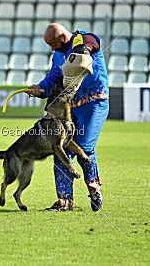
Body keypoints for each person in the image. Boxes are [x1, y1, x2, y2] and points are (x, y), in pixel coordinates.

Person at [27, 23, 109, 212]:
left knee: (85, 148)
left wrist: (83, 51)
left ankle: (94, 187)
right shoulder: (57, 55)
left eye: (53, 43)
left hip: (94, 103)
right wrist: (40, 89)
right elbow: (53, 78)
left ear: (63, 37)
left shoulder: (84, 38)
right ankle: (64, 202)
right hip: (70, 107)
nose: (52, 48)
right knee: (61, 150)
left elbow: (91, 43)